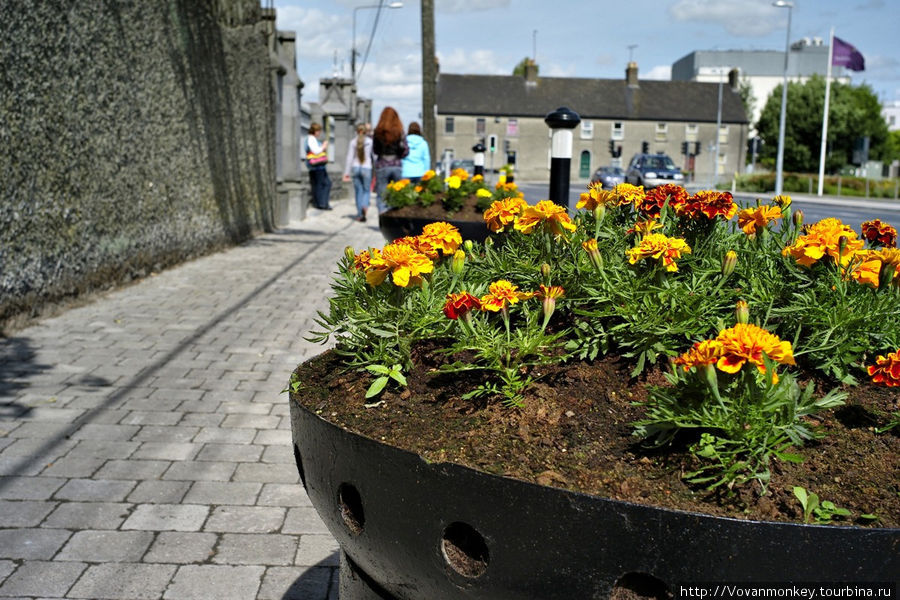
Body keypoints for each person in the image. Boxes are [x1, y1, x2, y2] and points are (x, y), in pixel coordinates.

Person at [372, 107, 407, 214]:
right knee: (397, 194)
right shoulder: (399, 132)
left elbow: (375, 150)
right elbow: (406, 151)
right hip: (396, 165)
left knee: (382, 195)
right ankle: (396, 218)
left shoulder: (377, 132)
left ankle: (383, 217)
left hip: (382, 165)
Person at [342, 123, 373, 222]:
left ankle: (360, 214)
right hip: (367, 167)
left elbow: (349, 158)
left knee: (358, 191)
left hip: (355, 167)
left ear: (356, 131)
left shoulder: (353, 142)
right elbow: (374, 156)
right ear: (366, 132)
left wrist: (346, 173)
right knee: (366, 190)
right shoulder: (370, 141)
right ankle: (365, 205)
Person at [306, 122, 332, 210]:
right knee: (322, 184)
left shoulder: (312, 139)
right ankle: (322, 203)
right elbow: (316, 151)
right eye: (318, 130)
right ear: (315, 131)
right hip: (317, 166)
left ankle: (321, 203)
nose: (319, 132)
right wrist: (323, 146)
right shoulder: (311, 139)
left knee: (321, 184)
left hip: (319, 166)